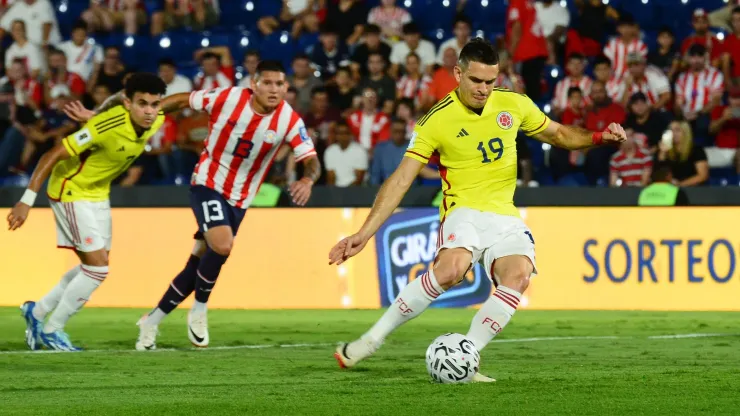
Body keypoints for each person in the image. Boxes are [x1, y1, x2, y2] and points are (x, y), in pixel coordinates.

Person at [328, 38, 626, 381]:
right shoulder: (435, 122)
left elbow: (559, 135)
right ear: (458, 73)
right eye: (476, 81)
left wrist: (600, 137)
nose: (484, 89)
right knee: (451, 269)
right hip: (463, 211)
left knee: (519, 276)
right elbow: (400, 180)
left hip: (504, 215)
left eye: (490, 81)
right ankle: (370, 340)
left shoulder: (514, 105)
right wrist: (364, 234)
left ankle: (463, 358)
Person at [65, 61, 322, 350]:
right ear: (254, 83)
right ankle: (199, 310)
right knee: (222, 245)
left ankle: (151, 321)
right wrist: (131, 117)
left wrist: (308, 181)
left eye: (280, 84)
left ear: (286, 87)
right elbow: (181, 100)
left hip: (240, 197)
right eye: (268, 83)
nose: (274, 90)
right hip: (208, 183)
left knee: (198, 263)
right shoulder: (228, 98)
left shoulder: (289, 120)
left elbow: (310, 159)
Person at [8, 73, 167, 351]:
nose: (150, 111)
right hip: (70, 190)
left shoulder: (156, 119)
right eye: (142, 104)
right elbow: (54, 154)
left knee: (94, 266)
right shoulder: (105, 127)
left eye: (155, 105)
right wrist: (26, 200)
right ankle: (53, 329)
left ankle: (36, 312)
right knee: (97, 269)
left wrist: (96, 111)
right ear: (128, 103)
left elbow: (177, 102)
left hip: (98, 192)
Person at [655, 120, 709, 186]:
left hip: (692, 189)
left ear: (686, 132)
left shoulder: (696, 150)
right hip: (669, 189)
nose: (673, 133)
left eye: (677, 130)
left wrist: (680, 185)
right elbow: (659, 175)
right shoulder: (666, 150)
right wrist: (662, 153)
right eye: (671, 130)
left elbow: (702, 176)